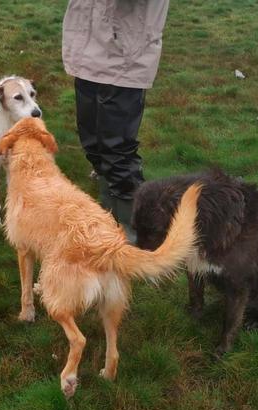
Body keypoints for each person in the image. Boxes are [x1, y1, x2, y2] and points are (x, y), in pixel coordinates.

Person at [62, 0, 170, 240]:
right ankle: (107, 215)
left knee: (117, 150)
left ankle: (135, 233)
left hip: (125, 52)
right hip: (86, 49)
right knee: (93, 143)